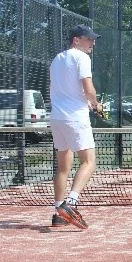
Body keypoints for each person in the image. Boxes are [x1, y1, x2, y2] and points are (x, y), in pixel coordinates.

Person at [49, 24, 103, 229]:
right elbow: (88, 88)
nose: (92, 43)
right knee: (89, 162)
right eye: (89, 39)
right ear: (76, 40)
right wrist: (96, 104)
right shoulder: (82, 58)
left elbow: (68, 90)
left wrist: (87, 103)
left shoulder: (56, 60)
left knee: (63, 167)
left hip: (57, 118)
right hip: (75, 118)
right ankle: (70, 204)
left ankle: (59, 213)